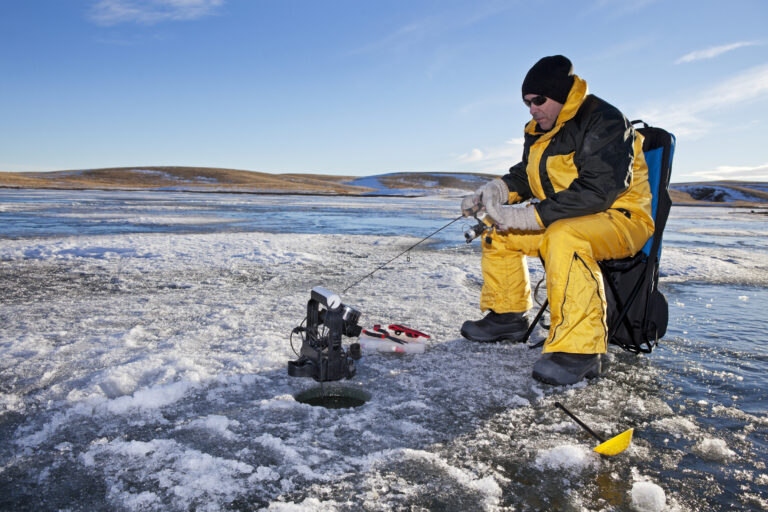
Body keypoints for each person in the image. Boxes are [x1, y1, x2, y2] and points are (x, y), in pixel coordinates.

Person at [460, 55, 654, 386]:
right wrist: (496, 191)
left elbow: (598, 191)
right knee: (499, 232)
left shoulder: (603, 120)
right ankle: (507, 316)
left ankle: (580, 351)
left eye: (538, 100)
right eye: (527, 103)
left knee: (564, 237)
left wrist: (529, 215)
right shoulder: (539, 131)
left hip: (621, 219)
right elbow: (527, 175)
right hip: (568, 216)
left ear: (561, 94)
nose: (532, 109)